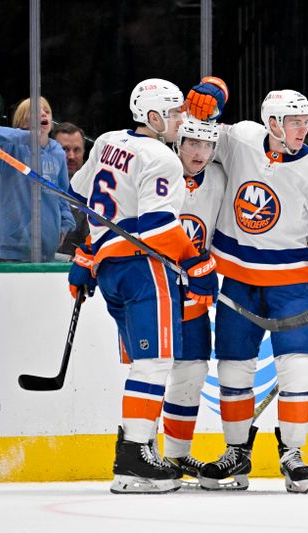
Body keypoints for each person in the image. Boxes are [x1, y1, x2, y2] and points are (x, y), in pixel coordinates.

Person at [185, 83, 308, 493]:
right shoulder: (240, 140)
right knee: (233, 368)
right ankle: (237, 452)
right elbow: (199, 126)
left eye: (305, 121)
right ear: (271, 123)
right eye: (293, 122)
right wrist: (211, 93)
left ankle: (292, 453)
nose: (302, 129)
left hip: (290, 283)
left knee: (298, 368)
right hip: (236, 280)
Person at [67, 78, 219, 494]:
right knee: (154, 364)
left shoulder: (109, 141)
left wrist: (87, 253)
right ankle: (134, 457)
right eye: (173, 113)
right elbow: (158, 227)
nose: (180, 119)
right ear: (152, 118)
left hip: (110, 269)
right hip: (143, 268)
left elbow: (79, 194)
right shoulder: (161, 158)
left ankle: (138, 448)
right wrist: (197, 262)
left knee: (146, 363)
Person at [160, 115, 227, 485]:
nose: (200, 152)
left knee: (192, 372)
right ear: (178, 143)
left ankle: (176, 455)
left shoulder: (217, 178)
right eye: (192, 143)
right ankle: (145, 453)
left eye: (207, 145)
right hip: (154, 287)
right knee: (151, 372)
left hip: (196, 291)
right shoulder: (159, 168)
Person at [0, 97, 75, 261]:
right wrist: (28, 134)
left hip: (48, 245)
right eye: (36, 112)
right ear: (22, 120)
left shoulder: (57, 151)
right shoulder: (11, 149)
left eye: (46, 111)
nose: (43, 114)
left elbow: (63, 194)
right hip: (15, 247)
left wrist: (66, 225)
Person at [52, 122, 90, 257]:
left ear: (84, 152)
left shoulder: (95, 189)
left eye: (77, 150)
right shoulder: (38, 186)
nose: (71, 157)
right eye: (65, 149)